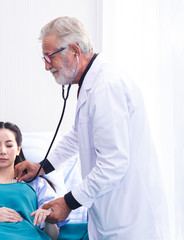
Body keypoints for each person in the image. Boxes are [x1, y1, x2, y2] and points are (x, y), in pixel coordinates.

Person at [14, 16, 168, 239]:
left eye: (50, 56)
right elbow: (79, 134)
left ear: (74, 50)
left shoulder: (105, 87)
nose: (46, 66)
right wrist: (42, 167)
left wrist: (68, 202)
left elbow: (114, 164)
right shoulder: (91, 84)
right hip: (110, 215)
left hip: (130, 219)